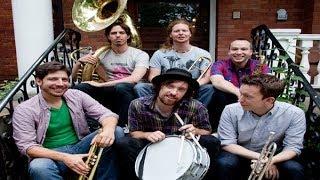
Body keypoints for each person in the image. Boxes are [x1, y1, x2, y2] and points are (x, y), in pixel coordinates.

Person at [12, 61, 124, 180]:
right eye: (53, 79)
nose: (60, 84)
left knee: (116, 131)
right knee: (38, 167)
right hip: (50, 154)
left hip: (80, 144)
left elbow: (107, 114)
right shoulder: (25, 109)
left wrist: (108, 130)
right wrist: (65, 157)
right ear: (39, 81)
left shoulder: (76, 95)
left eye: (64, 79)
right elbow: (28, 147)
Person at [116, 68, 220, 180]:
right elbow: (134, 133)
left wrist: (195, 131)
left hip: (181, 149)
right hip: (150, 146)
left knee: (211, 141)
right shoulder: (138, 105)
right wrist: (147, 135)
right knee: (125, 143)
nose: (174, 92)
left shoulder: (196, 106)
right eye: (170, 86)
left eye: (181, 89)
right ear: (160, 86)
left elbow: (206, 130)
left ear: (186, 92)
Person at [215, 74, 306, 180]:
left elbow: (293, 147)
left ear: (269, 100)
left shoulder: (294, 114)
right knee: (224, 163)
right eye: (241, 94)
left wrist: (271, 160)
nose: (240, 100)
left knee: (294, 169)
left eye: (248, 96)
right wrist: (261, 158)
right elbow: (227, 143)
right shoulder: (231, 110)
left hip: (276, 157)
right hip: (240, 154)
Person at [72, 21, 149, 126]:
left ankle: (124, 125)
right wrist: (79, 62)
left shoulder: (140, 54)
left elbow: (134, 79)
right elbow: (74, 77)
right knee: (80, 87)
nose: (118, 36)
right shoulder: (102, 53)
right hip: (109, 86)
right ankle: (84, 124)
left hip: (129, 88)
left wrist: (101, 84)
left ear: (128, 36)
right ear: (108, 36)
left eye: (121, 33)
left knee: (121, 87)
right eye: (113, 33)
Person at [134, 19, 214, 107]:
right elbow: (153, 76)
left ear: (190, 34)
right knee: (141, 87)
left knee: (209, 88)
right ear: (170, 35)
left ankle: (194, 113)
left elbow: (206, 78)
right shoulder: (159, 54)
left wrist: (191, 86)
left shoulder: (203, 54)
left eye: (184, 30)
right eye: (176, 31)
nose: (181, 33)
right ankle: (154, 112)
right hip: (166, 87)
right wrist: (167, 87)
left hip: (191, 88)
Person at [209, 38, 270, 128]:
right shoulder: (220, 64)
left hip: (252, 101)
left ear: (251, 52)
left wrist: (245, 96)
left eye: (243, 49)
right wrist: (239, 93)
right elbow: (217, 81)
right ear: (229, 52)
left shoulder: (260, 66)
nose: (238, 52)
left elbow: (267, 84)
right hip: (227, 102)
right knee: (216, 93)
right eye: (234, 49)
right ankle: (217, 129)